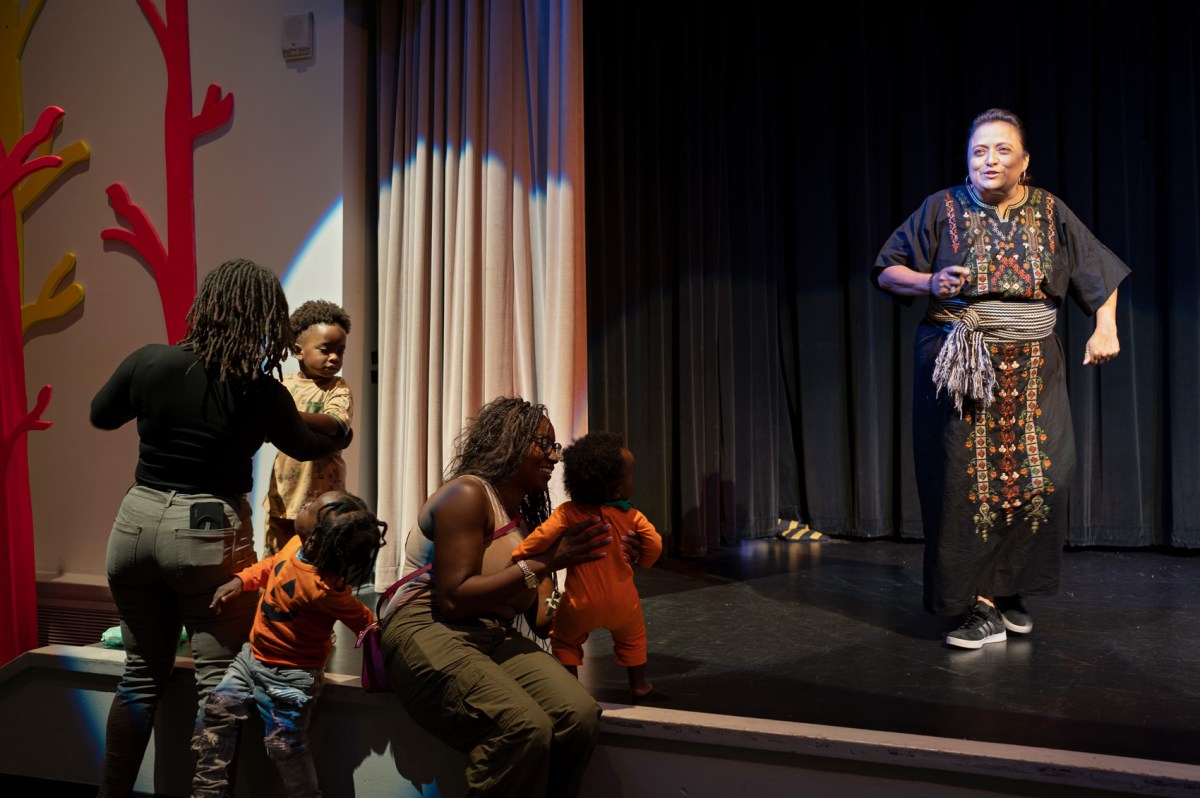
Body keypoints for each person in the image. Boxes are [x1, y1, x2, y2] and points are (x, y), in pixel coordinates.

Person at [90, 258, 350, 797]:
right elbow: (309, 444)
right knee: (219, 687)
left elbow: (101, 414)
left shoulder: (150, 361)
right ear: (265, 322)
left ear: (204, 306)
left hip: (135, 521)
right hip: (205, 526)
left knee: (140, 676)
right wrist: (340, 427)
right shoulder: (259, 391)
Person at [872, 109, 1130, 650]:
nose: (990, 160)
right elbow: (887, 268)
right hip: (960, 364)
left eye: (1002, 150)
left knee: (1043, 477)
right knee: (965, 483)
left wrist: (1105, 328)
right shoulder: (940, 208)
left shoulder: (1050, 211)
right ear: (968, 161)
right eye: (979, 151)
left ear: (1024, 161)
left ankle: (1009, 591)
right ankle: (977, 606)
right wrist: (930, 280)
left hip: (1035, 368)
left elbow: (1098, 271)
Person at [379, 396, 610, 797]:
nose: (555, 457)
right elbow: (454, 597)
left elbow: (540, 619)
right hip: (429, 626)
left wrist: (588, 586)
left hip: (490, 633)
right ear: (511, 441)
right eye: (545, 444)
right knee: (521, 727)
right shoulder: (467, 494)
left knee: (579, 715)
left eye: (555, 447)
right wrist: (543, 564)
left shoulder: (525, 522)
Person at [192, 491, 386, 798]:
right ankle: (207, 792)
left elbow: (365, 622)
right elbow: (273, 565)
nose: (307, 501)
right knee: (215, 712)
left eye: (311, 506)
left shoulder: (324, 590)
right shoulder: (296, 543)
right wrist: (242, 580)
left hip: (291, 678)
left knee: (285, 749)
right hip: (250, 659)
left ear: (314, 540)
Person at [512, 432, 662, 699]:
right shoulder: (632, 516)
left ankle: (571, 688)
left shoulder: (568, 513)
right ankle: (639, 685)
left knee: (562, 638)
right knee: (634, 637)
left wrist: (521, 554)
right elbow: (655, 544)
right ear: (617, 489)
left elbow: (540, 538)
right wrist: (645, 560)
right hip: (623, 603)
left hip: (579, 603)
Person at [263, 299, 354, 556]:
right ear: (298, 350)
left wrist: (286, 414)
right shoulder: (282, 385)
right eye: (326, 350)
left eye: (341, 351)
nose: (335, 357)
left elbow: (336, 424)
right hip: (283, 496)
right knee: (277, 562)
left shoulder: (337, 388)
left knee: (319, 561)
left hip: (323, 500)